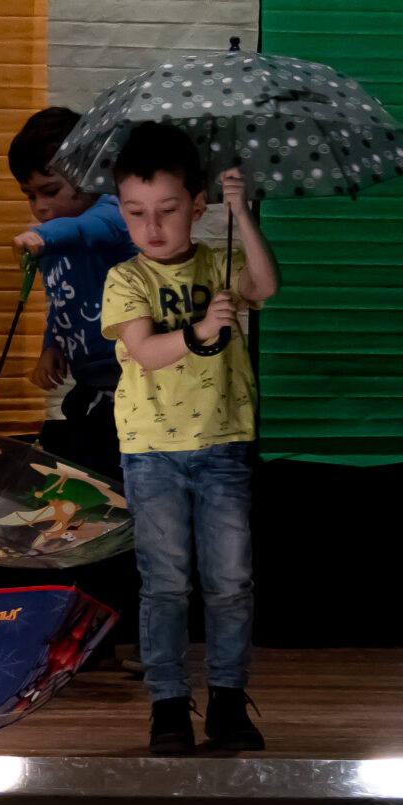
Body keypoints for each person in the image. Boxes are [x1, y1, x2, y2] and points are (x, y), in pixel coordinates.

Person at [99, 121, 279, 756]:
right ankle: (169, 706)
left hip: (223, 443)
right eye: (136, 212)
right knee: (166, 583)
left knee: (230, 581)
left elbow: (265, 285)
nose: (152, 226)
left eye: (168, 210)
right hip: (151, 451)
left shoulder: (218, 261)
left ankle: (228, 701)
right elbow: (145, 351)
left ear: (197, 207)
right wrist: (200, 332)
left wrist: (242, 213)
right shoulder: (126, 279)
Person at [7, 105, 144, 663]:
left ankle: (131, 634)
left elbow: (85, 230)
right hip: (89, 395)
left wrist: (44, 235)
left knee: (125, 520)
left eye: (50, 190)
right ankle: (89, 635)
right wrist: (51, 345)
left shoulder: (113, 215)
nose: (40, 207)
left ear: (91, 173)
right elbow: (61, 297)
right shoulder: (54, 240)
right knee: (83, 515)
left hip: (136, 395)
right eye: (29, 196)